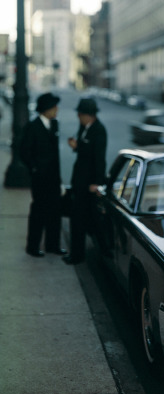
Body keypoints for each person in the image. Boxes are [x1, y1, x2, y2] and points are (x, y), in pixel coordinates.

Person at [20, 92, 66, 257]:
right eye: (54, 107)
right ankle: (32, 247)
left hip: (53, 177)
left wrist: (59, 177)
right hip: (40, 178)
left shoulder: (54, 125)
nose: (57, 110)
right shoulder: (33, 127)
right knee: (39, 211)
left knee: (55, 211)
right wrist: (34, 168)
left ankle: (52, 245)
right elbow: (24, 151)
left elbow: (55, 154)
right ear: (46, 109)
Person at [63, 97, 107, 265]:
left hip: (88, 183)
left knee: (81, 219)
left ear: (89, 115)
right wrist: (77, 146)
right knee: (82, 218)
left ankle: (79, 255)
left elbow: (99, 158)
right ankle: (91, 251)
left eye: (80, 114)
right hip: (79, 181)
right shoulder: (84, 127)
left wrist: (97, 182)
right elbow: (85, 149)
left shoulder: (99, 130)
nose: (78, 117)